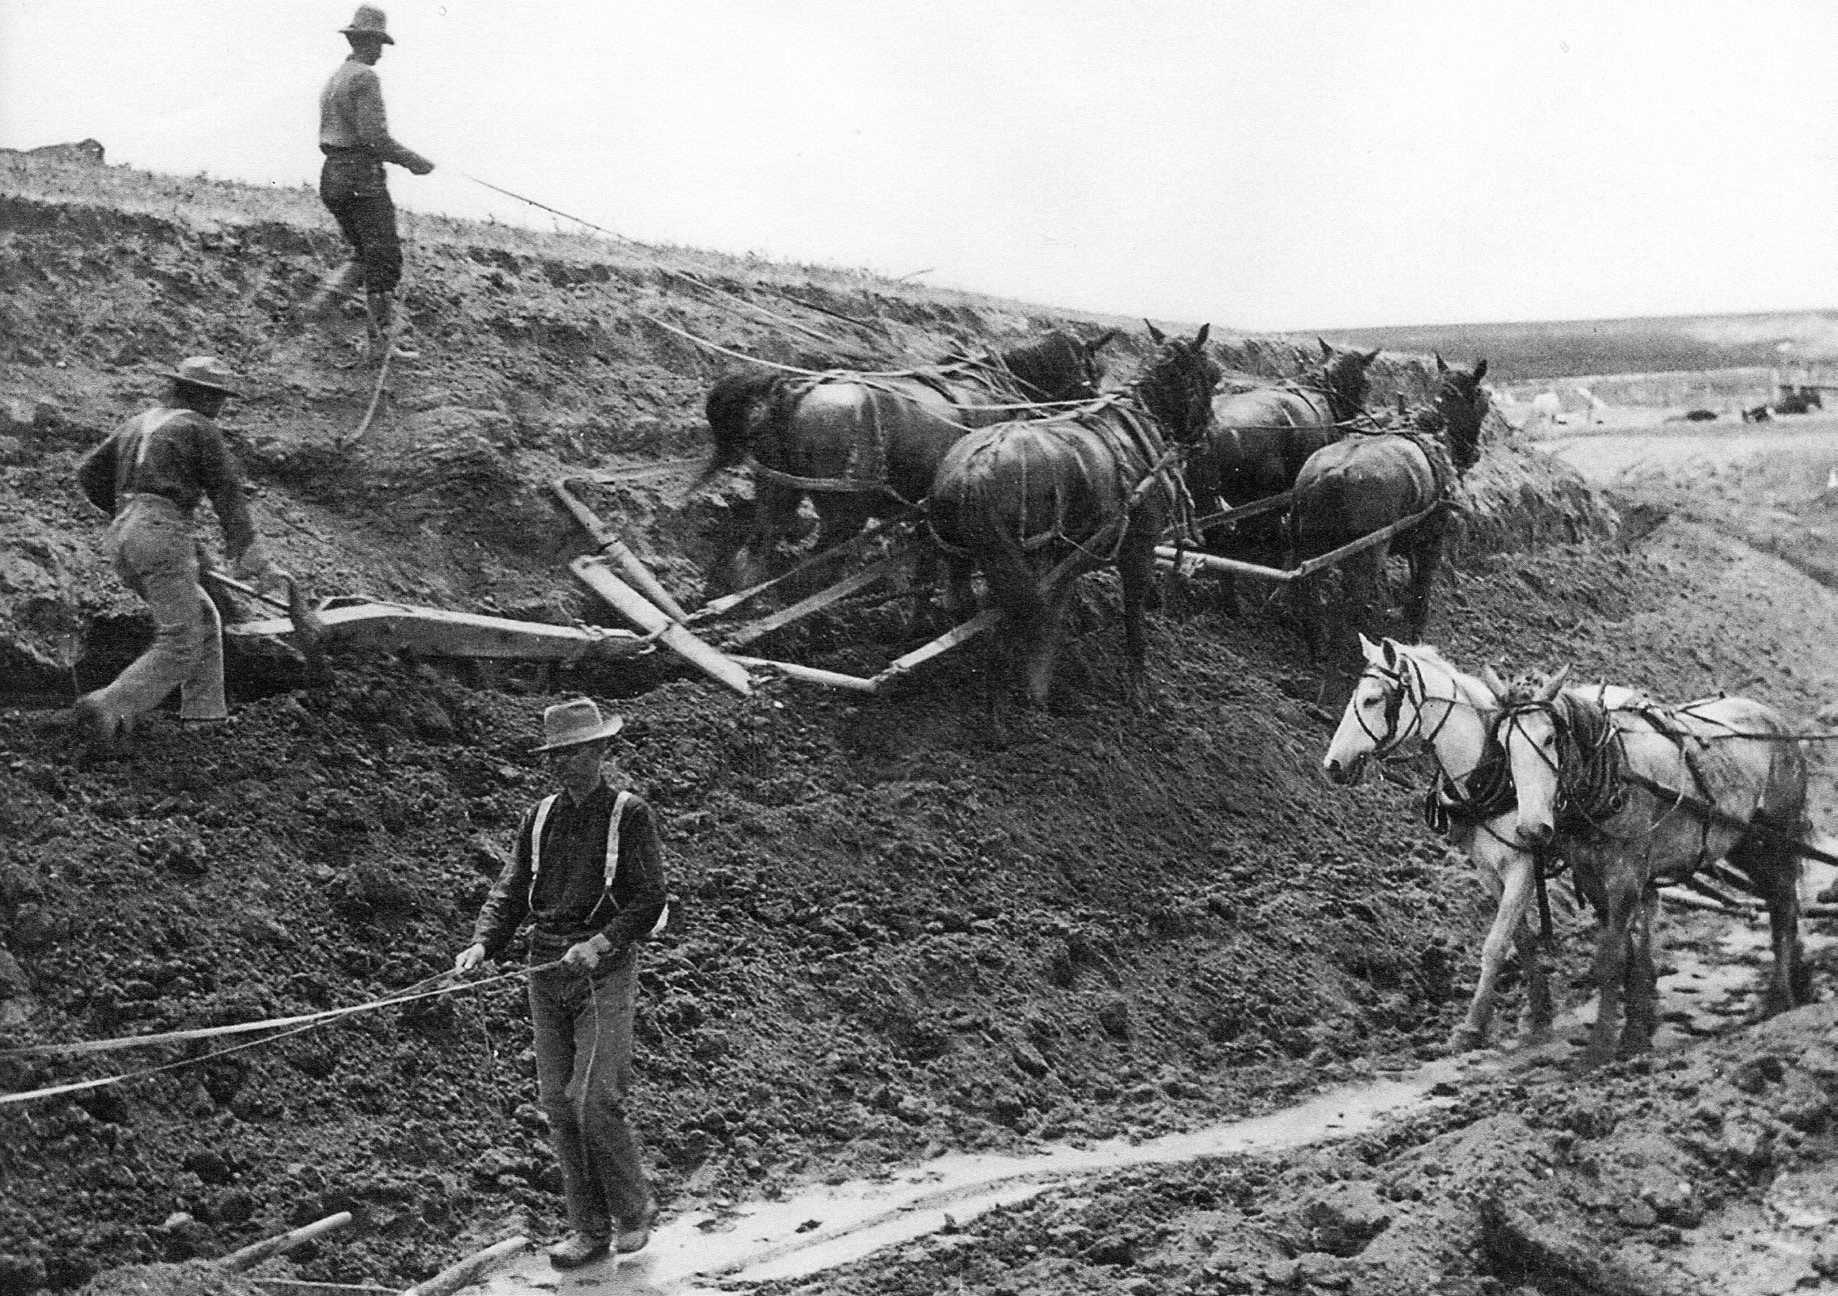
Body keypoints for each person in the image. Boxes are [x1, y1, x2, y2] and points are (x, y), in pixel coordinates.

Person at [456, 699, 670, 1269]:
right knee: (556, 1102)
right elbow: (510, 888)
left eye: (577, 752)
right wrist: (483, 943)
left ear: (601, 751)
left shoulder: (630, 814)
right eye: (558, 755)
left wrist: (599, 943)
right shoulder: (542, 816)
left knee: (593, 1099)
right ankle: (588, 1230)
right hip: (547, 969)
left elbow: (650, 901)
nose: (566, 764)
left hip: (603, 969)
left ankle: (632, 1213)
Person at [71, 357, 283, 743]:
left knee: (202, 619)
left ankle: (204, 719)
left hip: (124, 532)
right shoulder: (198, 427)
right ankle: (111, 703)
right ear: (201, 396)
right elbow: (227, 494)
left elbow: (88, 473)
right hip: (159, 531)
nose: (220, 407)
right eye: (217, 398)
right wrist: (251, 556)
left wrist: (134, 515)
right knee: (180, 641)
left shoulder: (139, 423)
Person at [314, 5, 434, 360]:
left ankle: (322, 304)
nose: (381, 50)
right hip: (360, 179)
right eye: (378, 43)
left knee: (364, 254)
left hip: (333, 176)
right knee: (384, 259)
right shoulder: (365, 77)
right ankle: (380, 347)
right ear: (364, 41)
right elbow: (374, 139)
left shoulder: (338, 75)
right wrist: (414, 162)